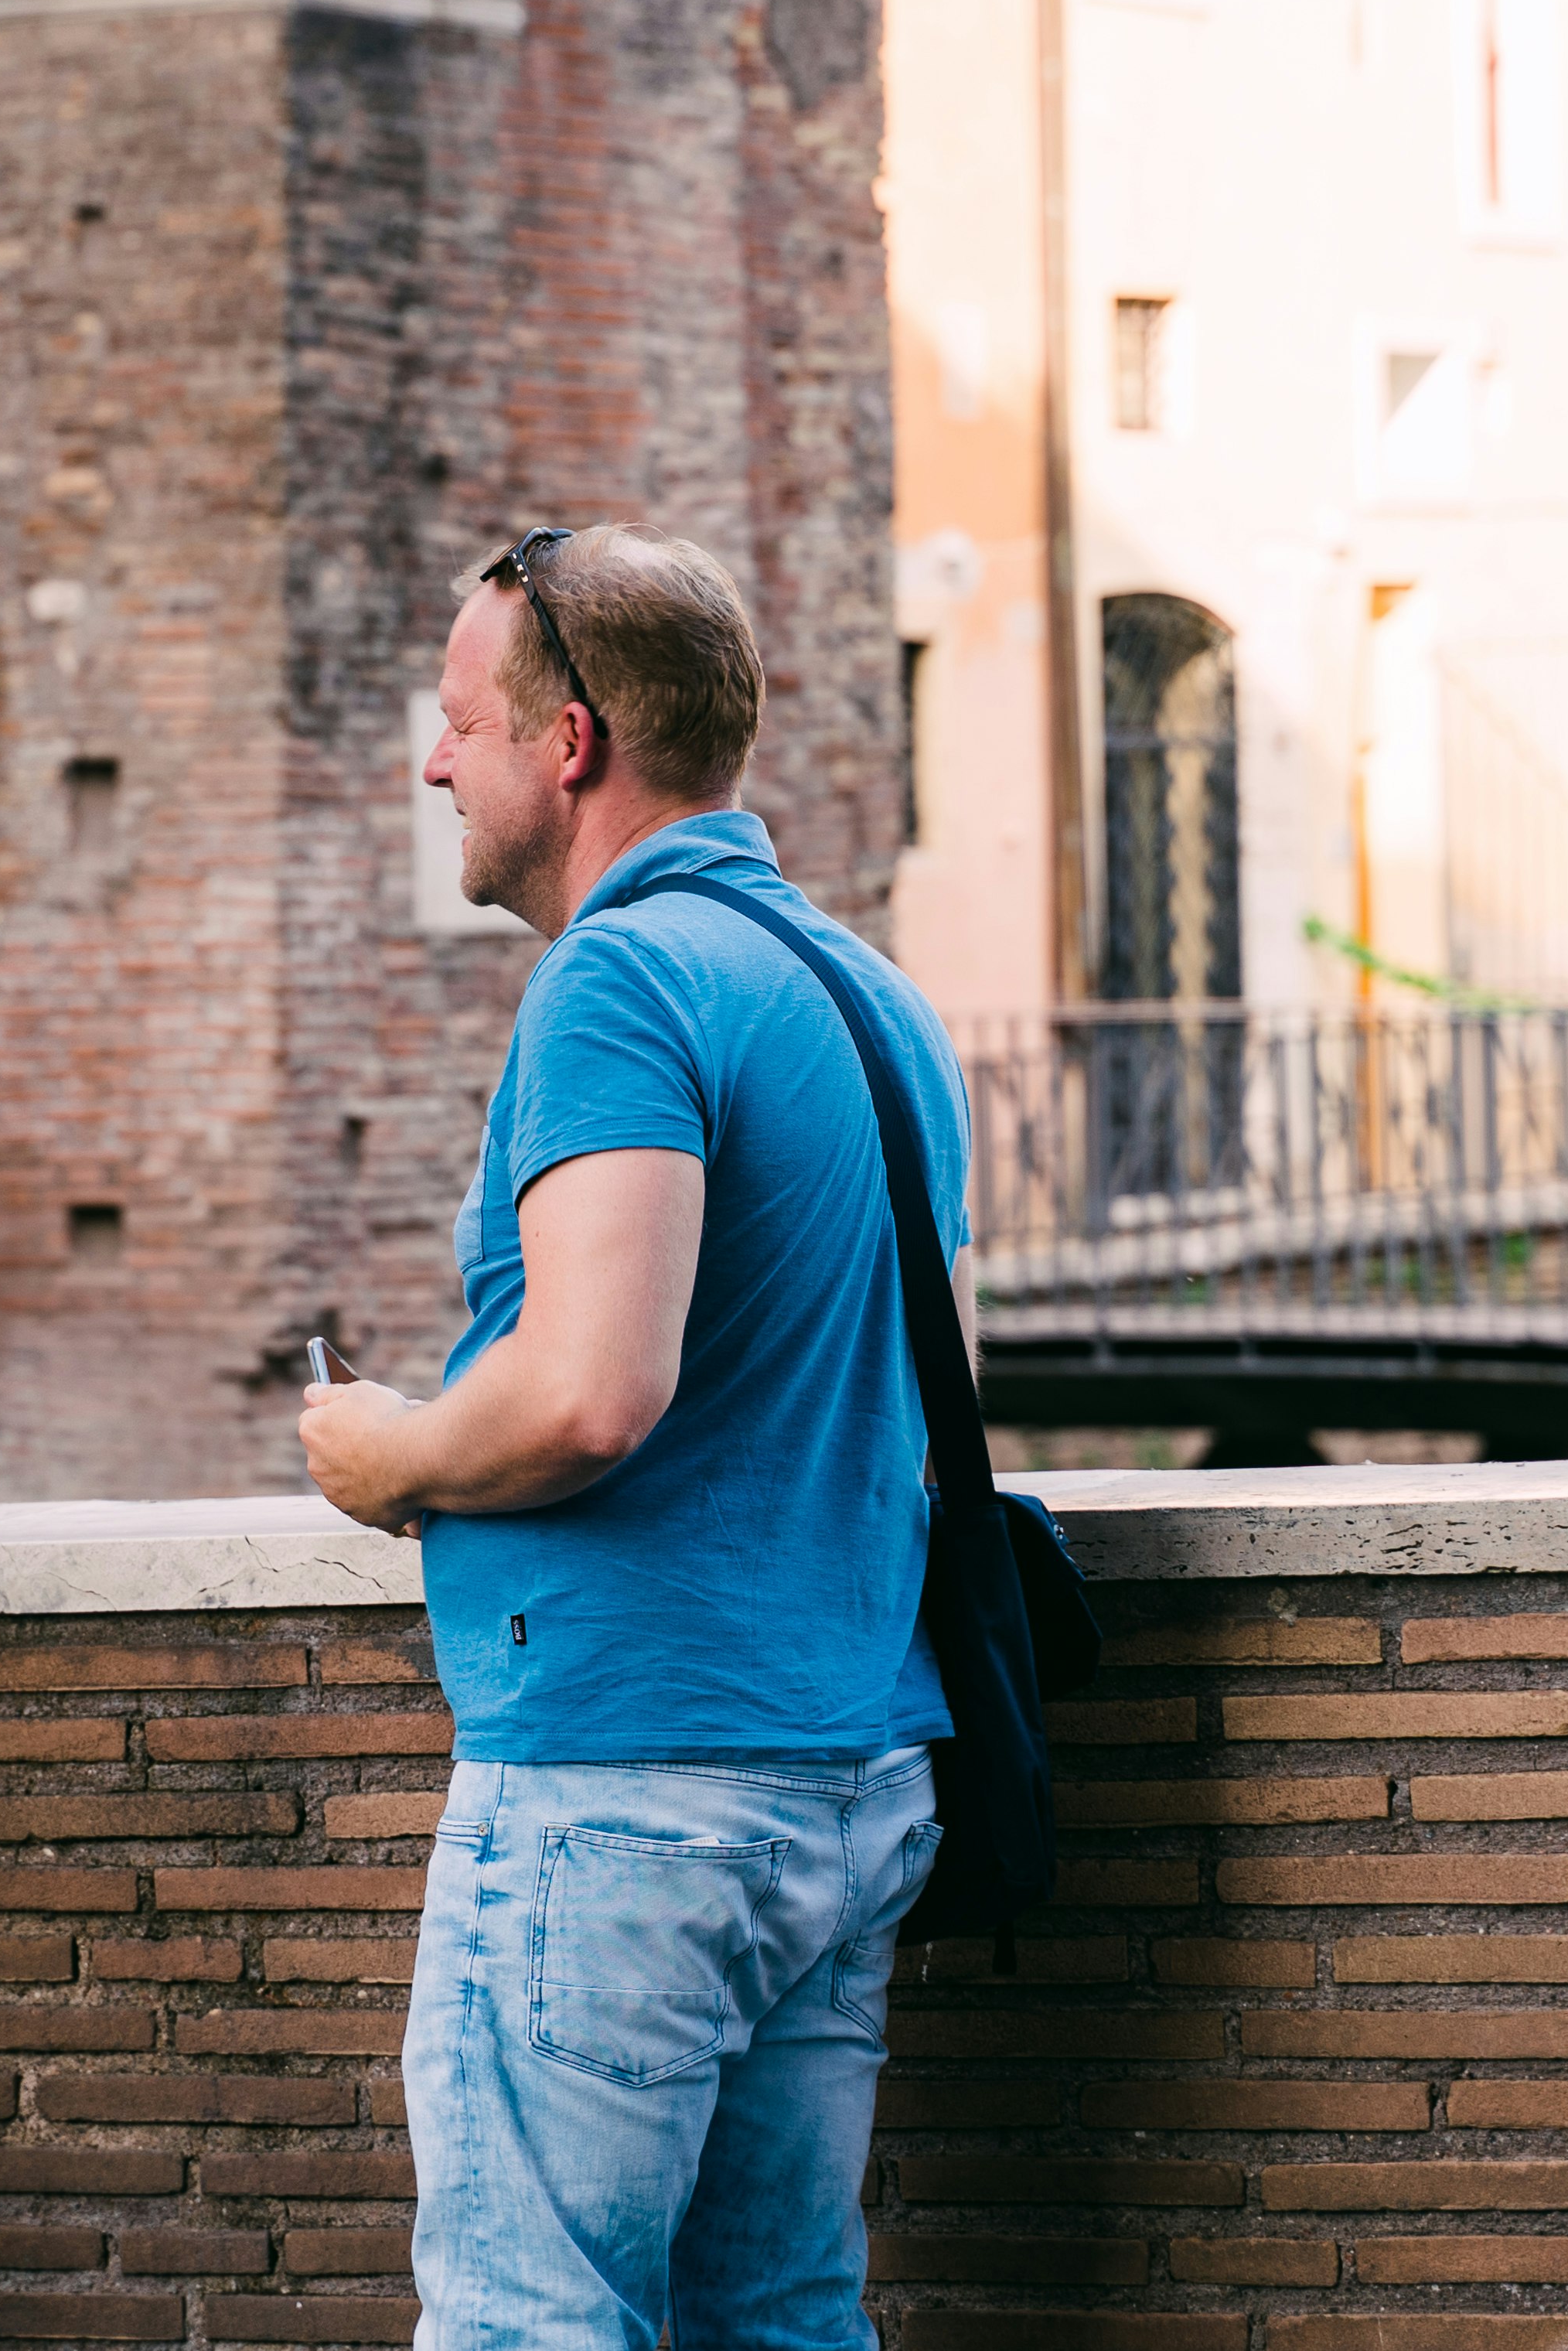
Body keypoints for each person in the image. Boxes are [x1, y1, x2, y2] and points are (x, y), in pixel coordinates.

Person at [299, 523, 956, 2351]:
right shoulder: (870, 997)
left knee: (528, 2319)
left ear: (565, 741)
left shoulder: (620, 980)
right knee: (780, 2316)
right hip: (849, 1770)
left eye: (456, 722)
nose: (436, 762)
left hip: (628, 1787)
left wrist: (392, 1452)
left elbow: (593, 1384)